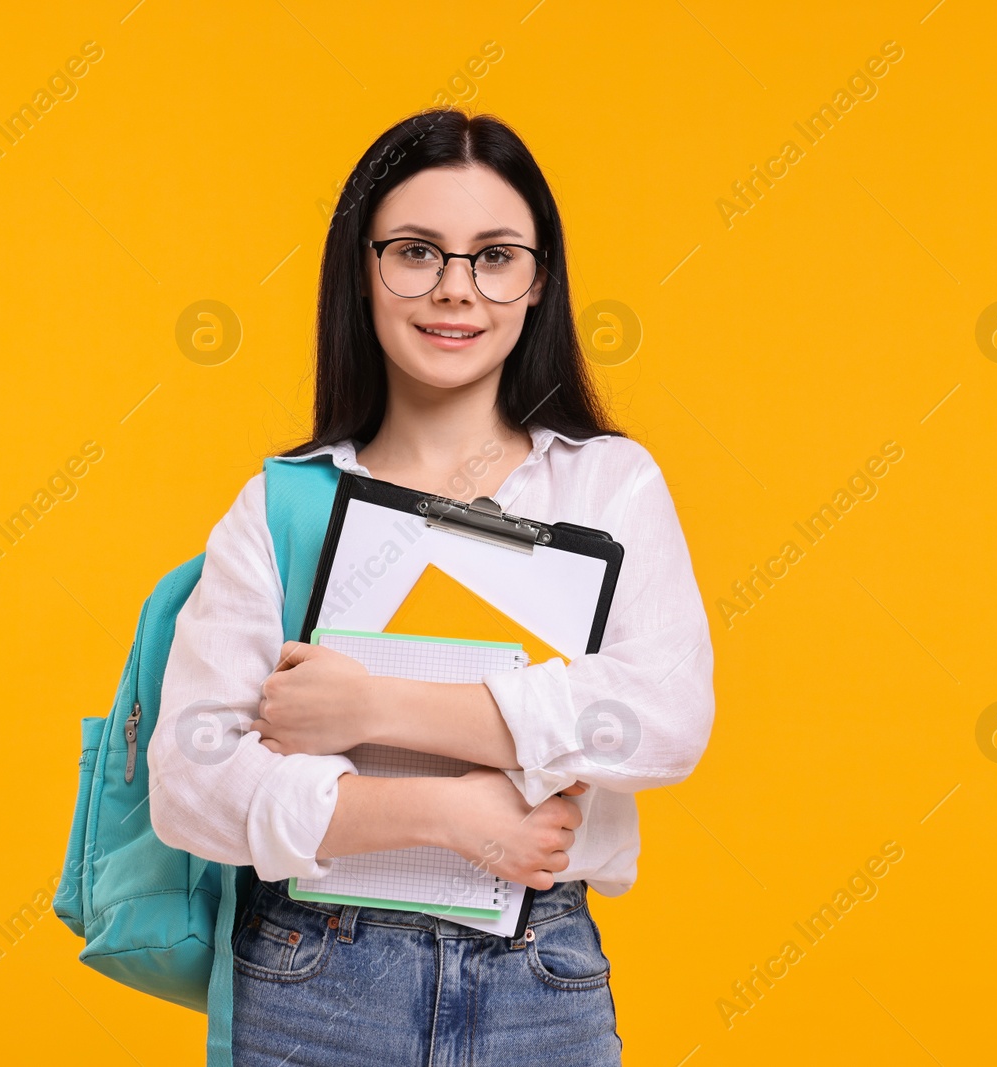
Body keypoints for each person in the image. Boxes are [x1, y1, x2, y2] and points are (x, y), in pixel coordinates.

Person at [147, 108, 715, 1066]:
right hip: (315, 978)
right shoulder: (284, 507)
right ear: (360, 271)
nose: (457, 289)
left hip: (542, 978)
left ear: (539, 281)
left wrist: (373, 706)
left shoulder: (608, 484)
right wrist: (454, 818)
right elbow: (191, 784)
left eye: (495, 256)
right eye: (416, 251)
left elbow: (663, 718)